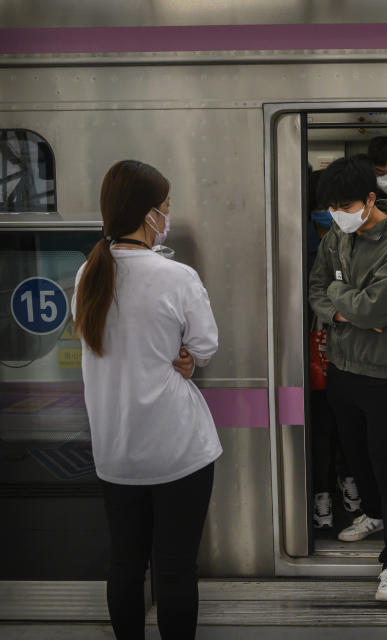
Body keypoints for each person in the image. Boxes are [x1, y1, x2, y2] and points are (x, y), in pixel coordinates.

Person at [72, 160, 220, 639]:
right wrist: (185, 361)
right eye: (167, 208)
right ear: (149, 214)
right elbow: (203, 346)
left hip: (115, 450)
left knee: (125, 565)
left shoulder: (86, 275)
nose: (168, 217)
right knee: (175, 569)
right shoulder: (177, 276)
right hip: (178, 448)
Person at [308, 155, 387, 602]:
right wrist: (348, 307)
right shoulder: (337, 237)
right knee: (356, 456)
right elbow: (316, 289)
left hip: (386, 374)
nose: (338, 214)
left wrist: (352, 307)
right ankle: (372, 514)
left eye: (346, 205)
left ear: (371, 199)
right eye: (332, 206)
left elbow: (376, 310)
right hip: (342, 366)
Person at [305, 172, 360, 527]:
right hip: (310, 342)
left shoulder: (359, 238)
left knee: (351, 421)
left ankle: (348, 477)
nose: (333, 212)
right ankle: (321, 488)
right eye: (326, 205)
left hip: (352, 342)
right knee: (320, 422)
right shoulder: (301, 239)